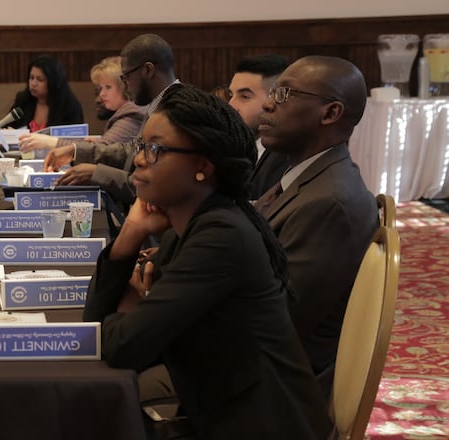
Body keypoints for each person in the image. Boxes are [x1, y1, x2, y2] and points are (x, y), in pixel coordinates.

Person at [83, 84, 332, 440]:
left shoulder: (220, 236)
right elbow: (101, 331)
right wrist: (129, 237)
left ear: (202, 166)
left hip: (260, 426)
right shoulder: (196, 224)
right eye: (141, 146)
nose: (139, 159)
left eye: (155, 149)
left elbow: (123, 345)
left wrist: (131, 313)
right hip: (221, 412)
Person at [255, 55, 379, 396]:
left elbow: (276, 324)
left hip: (274, 390)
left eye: (283, 94)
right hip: (260, 365)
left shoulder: (329, 203)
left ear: (330, 113)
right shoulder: (307, 175)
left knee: (119, 382)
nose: (267, 104)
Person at [42, 34, 181, 206]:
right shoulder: (158, 105)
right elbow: (130, 150)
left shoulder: (176, 112)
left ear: (148, 70)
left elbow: (154, 187)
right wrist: (75, 150)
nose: (126, 85)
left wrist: (96, 173)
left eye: (126, 76)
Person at [17, 56, 145, 152]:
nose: (101, 95)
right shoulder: (125, 112)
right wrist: (100, 140)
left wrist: (50, 142)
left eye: (108, 87)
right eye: (101, 88)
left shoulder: (131, 115)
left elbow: (100, 151)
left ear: (124, 86)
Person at [227, 54, 290, 199]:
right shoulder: (237, 147)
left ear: (274, 99)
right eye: (231, 95)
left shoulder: (284, 157)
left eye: (244, 97)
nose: (231, 105)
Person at [0, 55, 83, 131]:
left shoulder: (70, 107)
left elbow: (73, 142)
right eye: (31, 78)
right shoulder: (23, 101)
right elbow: (9, 129)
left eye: (40, 79)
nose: (33, 83)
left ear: (53, 82)